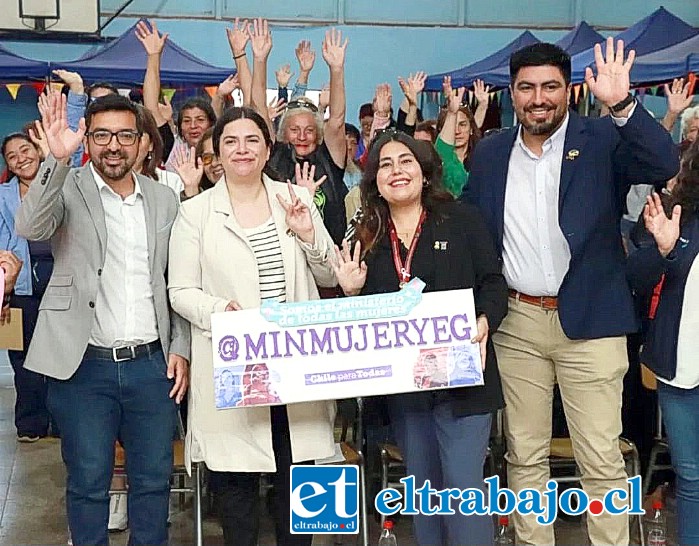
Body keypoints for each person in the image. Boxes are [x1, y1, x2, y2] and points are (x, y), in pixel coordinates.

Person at [465, 40, 680, 545]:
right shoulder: (493, 151)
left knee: (601, 458)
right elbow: (471, 227)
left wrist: (624, 105)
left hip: (594, 323)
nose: (538, 98)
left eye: (549, 87)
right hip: (516, 324)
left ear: (569, 91)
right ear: (512, 93)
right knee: (524, 454)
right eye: (526, 88)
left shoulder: (602, 137)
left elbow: (662, 159)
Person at [15, 91, 190, 546]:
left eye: (125, 135)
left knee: (152, 482)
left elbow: (179, 282)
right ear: (88, 140)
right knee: (89, 482)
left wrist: (180, 349)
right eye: (102, 135)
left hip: (152, 368)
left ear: (143, 142)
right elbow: (31, 228)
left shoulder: (164, 199)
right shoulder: (67, 185)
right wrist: (55, 160)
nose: (114, 146)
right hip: (83, 366)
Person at [168, 106, 337, 546]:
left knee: (299, 487)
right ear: (217, 155)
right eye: (230, 142)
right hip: (235, 369)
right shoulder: (196, 212)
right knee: (237, 495)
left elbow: (330, 273)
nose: (241, 150)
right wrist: (219, 309)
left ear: (267, 150)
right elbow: (180, 290)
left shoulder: (293, 199)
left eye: (251, 141)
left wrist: (307, 234)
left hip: (296, 367)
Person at [333, 131, 508, 546]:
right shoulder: (367, 234)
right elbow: (362, 325)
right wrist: (352, 292)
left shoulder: (461, 219)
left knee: (464, 489)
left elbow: (493, 283)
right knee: (424, 492)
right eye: (386, 164)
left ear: (425, 172)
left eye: (406, 161)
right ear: (374, 178)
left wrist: (485, 320)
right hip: (405, 388)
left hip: (464, 379)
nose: (397, 171)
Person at [0, 129, 54, 442]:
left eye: (26, 150)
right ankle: (31, 424)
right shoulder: (4, 195)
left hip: (60, 280)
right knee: (23, 358)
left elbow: (70, 154)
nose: (22, 159)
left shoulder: (58, 180)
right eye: (12, 156)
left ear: (38, 149)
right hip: (20, 285)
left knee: (62, 353)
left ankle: (63, 422)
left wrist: (75, 96)